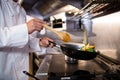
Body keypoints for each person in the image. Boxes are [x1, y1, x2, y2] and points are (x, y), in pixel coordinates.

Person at [0, 0, 54, 80]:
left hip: (21, 73)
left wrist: (39, 42)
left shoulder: (21, 10)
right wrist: (25, 28)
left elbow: (19, 39)